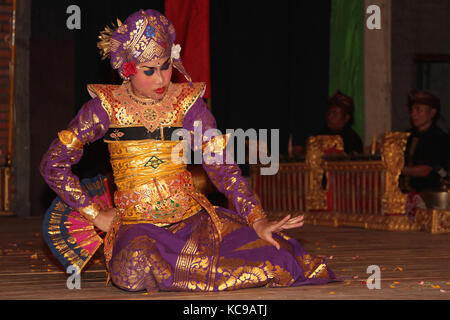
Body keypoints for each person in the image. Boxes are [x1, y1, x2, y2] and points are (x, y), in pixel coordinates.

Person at [40, 9, 336, 292]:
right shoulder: (104, 108)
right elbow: (53, 163)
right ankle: (189, 269)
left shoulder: (186, 103)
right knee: (134, 267)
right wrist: (95, 214)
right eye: (149, 70)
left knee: (277, 255)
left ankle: (188, 269)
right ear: (127, 69)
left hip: (192, 221)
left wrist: (256, 219)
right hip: (136, 225)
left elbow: (223, 168)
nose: (161, 79)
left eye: (166, 66)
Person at [401, 90, 450, 192]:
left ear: (432, 112)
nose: (413, 114)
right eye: (412, 110)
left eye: (418, 110)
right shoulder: (406, 136)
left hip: (427, 197)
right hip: (403, 195)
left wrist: (396, 169)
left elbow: (426, 170)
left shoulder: (440, 138)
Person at [318, 90, 363, 154]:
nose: (329, 117)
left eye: (334, 113)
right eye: (329, 113)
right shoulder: (319, 137)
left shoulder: (353, 141)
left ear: (346, 117)